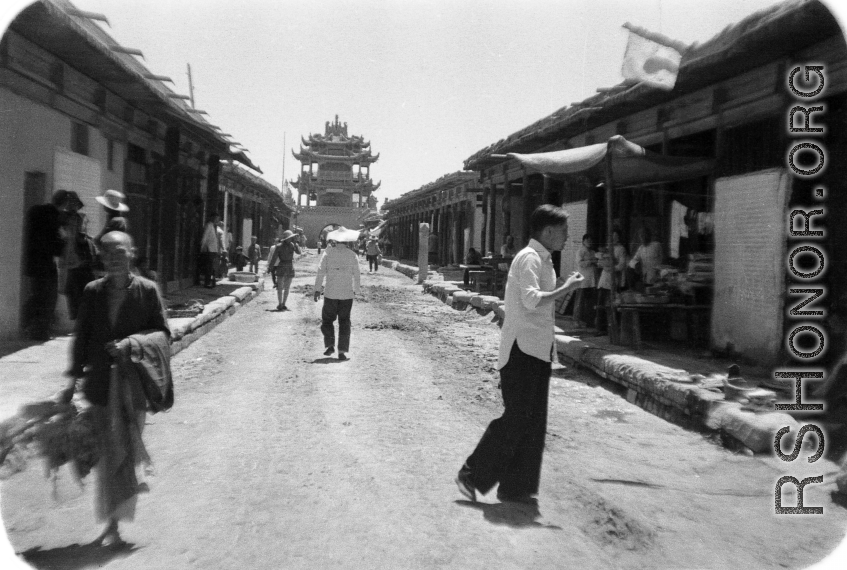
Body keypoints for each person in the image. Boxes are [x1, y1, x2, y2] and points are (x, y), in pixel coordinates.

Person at [456, 205, 584, 503]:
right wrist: (566, 288)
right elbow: (531, 301)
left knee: (533, 421)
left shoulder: (544, 260)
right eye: (564, 232)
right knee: (517, 418)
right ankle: (472, 474)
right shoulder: (528, 259)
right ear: (548, 231)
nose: (567, 238)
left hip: (537, 349)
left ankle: (516, 487)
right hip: (520, 349)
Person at [59, 231, 171, 547]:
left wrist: (130, 344)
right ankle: (114, 522)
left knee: (124, 452)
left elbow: (163, 334)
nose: (114, 259)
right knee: (110, 453)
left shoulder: (147, 292)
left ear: (131, 254)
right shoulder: (93, 292)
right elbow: (81, 339)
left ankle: (115, 520)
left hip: (132, 386)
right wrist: (71, 381)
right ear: (102, 258)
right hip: (99, 386)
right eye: (107, 254)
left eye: (119, 252)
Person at [23, 189, 70, 340]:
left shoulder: (36, 211)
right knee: (48, 299)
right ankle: (39, 332)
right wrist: (66, 238)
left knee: (37, 296)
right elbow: (57, 248)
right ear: (64, 204)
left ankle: (29, 326)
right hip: (46, 265)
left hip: (32, 263)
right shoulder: (55, 218)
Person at [314, 230, 362, 361]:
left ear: (335, 241)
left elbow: (320, 271)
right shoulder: (352, 255)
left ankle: (330, 344)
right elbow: (357, 274)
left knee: (327, 320)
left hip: (330, 293)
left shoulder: (328, 253)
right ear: (347, 242)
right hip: (347, 295)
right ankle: (342, 351)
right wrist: (356, 291)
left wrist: (317, 289)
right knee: (345, 322)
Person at [65, 212, 98, 320]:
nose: (83, 225)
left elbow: (93, 258)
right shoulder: (72, 241)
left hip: (85, 277)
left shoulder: (88, 241)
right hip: (77, 277)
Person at [595, 229, 628, 335]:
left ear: (618, 237)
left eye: (615, 236)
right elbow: (599, 263)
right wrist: (604, 264)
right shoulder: (607, 248)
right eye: (611, 236)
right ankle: (601, 328)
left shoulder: (621, 249)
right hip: (603, 279)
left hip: (614, 280)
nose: (613, 238)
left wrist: (611, 268)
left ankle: (612, 328)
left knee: (612, 305)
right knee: (601, 305)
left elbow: (622, 265)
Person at [269, 230, 302, 310]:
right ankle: (280, 303)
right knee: (280, 287)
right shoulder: (279, 246)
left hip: (289, 267)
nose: (291, 239)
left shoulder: (293, 245)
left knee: (287, 287)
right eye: (290, 238)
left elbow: (299, 252)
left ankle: (283, 303)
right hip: (282, 266)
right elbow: (274, 258)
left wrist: (296, 244)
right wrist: (270, 267)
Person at [572, 234, 598, 328]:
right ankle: (576, 320)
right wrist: (590, 261)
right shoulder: (580, 251)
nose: (589, 242)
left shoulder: (593, 252)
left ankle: (589, 321)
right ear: (583, 241)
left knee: (590, 302)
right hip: (582, 280)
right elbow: (579, 263)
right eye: (587, 240)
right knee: (580, 301)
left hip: (591, 280)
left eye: (591, 240)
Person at [199, 213, 221, 288]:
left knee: (211, 267)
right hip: (209, 249)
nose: (217, 220)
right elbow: (205, 237)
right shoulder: (209, 225)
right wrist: (202, 247)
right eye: (216, 218)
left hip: (213, 250)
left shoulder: (215, 227)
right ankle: (207, 282)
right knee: (209, 267)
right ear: (213, 218)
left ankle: (211, 282)